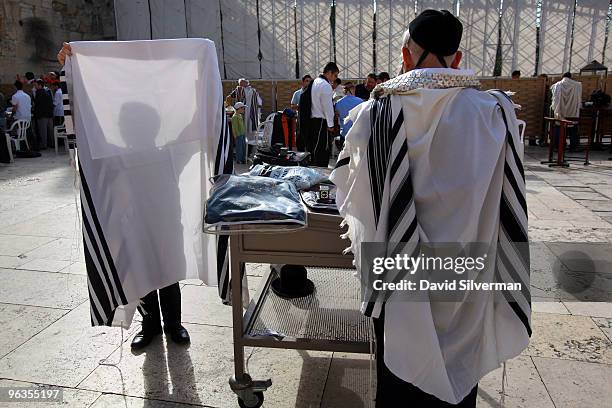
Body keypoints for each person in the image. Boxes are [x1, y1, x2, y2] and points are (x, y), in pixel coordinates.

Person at [330, 9, 530, 408]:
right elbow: (508, 201)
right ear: (457, 59)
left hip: (399, 279)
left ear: (405, 56)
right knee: (460, 385)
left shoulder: (379, 113)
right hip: (467, 279)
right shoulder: (495, 113)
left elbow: (353, 194)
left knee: (398, 386)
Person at [57, 41, 191, 351]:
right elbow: (90, 130)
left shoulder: (169, 154)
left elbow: (193, 125)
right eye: (127, 125)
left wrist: (201, 68)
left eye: (137, 125)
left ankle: (174, 324)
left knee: (169, 274)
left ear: (152, 129)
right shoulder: (116, 159)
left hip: (168, 227)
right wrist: (73, 74)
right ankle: (151, 325)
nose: (130, 130)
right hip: (134, 227)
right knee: (142, 277)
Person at [298, 61, 338, 167]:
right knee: (321, 150)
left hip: (311, 121)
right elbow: (328, 107)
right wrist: (331, 125)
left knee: (313, 148)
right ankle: (320, 171)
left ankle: (313, 168)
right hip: (321, 122)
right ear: (329, 73)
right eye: (335, 75)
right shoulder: (325, 85)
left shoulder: (315, 81)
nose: (335, 78)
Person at [551, 72, 582, 151]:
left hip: (560, 111)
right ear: (570, 77)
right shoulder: (577, 85)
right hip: (572, 112)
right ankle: (573, 147)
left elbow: (554, 99)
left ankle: (558, 146)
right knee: (573, 129)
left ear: (562, 76)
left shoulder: (557, 85)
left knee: (559, 128)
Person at [228, 78, 262, 143]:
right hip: (242, 111)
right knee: (242, 125)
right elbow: (231, 96)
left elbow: (259, 101)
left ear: (247, 83)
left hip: (251, 111)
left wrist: (257, 106)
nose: (241, 85)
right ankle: (242, 139)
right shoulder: (238, 90)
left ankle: (250, 140)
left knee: (250, 124)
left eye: (243, 83)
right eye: (240, 84)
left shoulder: (253, 91)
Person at [32, 79, 54, 150]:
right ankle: (52, 143)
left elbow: (37, 105)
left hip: (42, 115)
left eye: (36, 85)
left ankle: (44, 145)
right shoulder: (48, 91)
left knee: (43, 130)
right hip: (49, 114)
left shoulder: (39, 92)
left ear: (40, 85)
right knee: (50, 130)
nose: (35, 86)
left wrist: (36, 113)